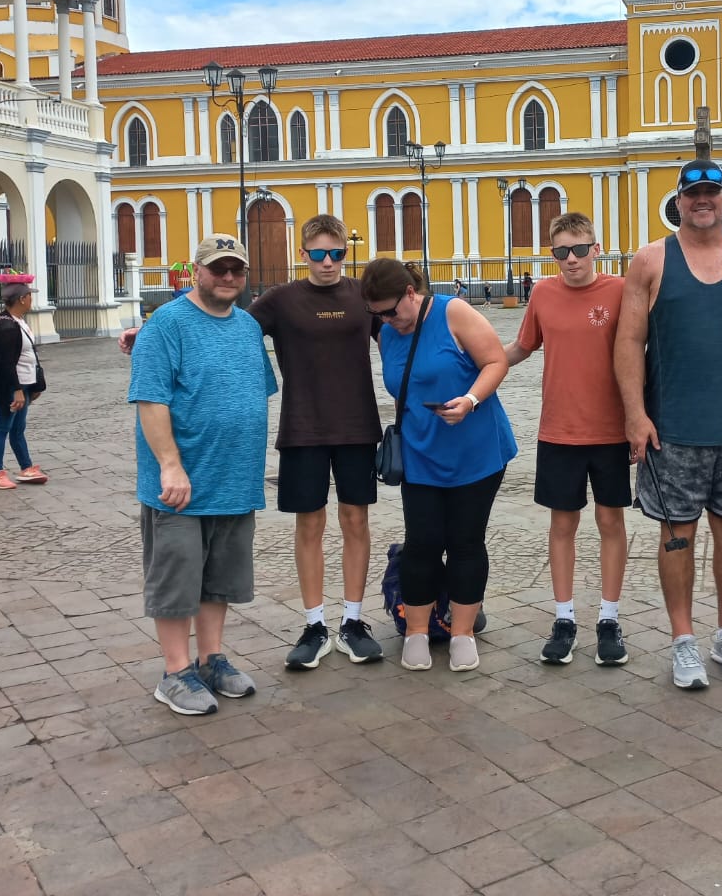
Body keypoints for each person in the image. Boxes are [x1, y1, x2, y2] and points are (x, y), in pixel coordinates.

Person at [614, 156, 722, 690]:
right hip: (672, 430)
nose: (702, 200)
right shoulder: (651, 260)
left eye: (711, 191)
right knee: (677, 535)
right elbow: (629, 340)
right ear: (678, 200)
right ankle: (683, 639)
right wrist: (635, 416)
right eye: (692, 193)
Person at [128, 235, 277, 715]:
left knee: (220, 579)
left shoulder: (248, 326)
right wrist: (170, 465)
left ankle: (212, 659)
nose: (229, 277)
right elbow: (150, 398)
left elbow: (256, 390)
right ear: (197, 271)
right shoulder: (166, 324)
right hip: (182, 483)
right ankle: (175, 672)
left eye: (237, 269)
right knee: (177, 578)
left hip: (234, 479)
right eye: (218, 269)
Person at [363, 259, 517, 673]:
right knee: (423, 542)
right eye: (376, 314)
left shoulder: (453, 312)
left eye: (390, 311)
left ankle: (463, 632)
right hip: (420, 453)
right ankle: (416, 631)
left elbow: (495, 361)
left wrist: (470, 400)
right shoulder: (388, 333)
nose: (386, 320)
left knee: (466, 540)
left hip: (476, 450)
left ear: (410, 293)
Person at [251, 215, 386, 670]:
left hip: (357, 427)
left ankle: (352, 622)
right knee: (308, 525)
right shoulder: (281, 300)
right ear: (303, 254)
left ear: (345, 253)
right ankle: (314, 625)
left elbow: (406, 330)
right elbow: (226, 328)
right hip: (303, 428)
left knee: (356, 520)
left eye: (337, 254)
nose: (328, 262)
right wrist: (153, 332)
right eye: (319, 254)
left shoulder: (363, 296)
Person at [504, 212, 631, 667]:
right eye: (561, 251)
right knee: (562, 525)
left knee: (611, 522)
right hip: (558, 430)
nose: (571, 259)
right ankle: (564, 619)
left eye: (579, 249)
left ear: (596, 249)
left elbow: (647, 348)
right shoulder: (542, 292)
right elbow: (521, 347)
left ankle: (609, 618)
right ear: (553, 253)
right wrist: (476, 366)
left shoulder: (620, 291)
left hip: (611, 431)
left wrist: (641, 419)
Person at [0, 272, 47, 490]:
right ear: (21, 299)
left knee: (18, 428)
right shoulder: (6, 326)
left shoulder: (19, 322)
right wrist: (16, 390)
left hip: (24, 383)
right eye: (29, 295)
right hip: (11, 386)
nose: (31, 299)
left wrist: (34, 386)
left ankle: (26, 467)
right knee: (3, 426)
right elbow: (6, 364)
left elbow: (29, 355)